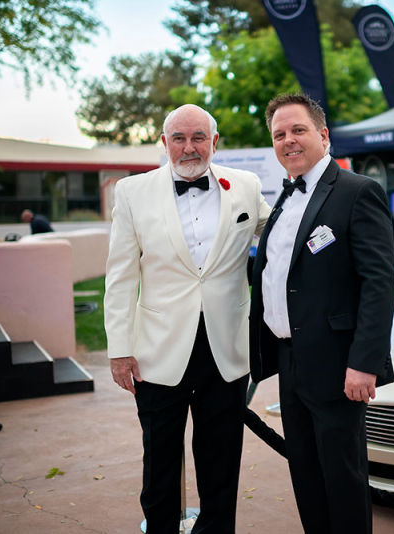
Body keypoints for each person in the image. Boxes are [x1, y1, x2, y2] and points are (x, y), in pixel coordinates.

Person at [104, 104, 271, 533]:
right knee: (160, 457)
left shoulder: (247, 187)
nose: (189, 147)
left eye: (198, 137)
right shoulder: (132, 193)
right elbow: (120, 278)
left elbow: (282, 233)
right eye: (178, 138)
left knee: (221, 457)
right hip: (156, 351)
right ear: (164, 144)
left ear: (215, 142)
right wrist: (119, 351)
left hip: (225, 347)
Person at [249, 94, 394, 534]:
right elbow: (278, 274)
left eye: (298, 130)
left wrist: (364, 363)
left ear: (323, 135)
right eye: (279, 134)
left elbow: (379, 283)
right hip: (290, 363)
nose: (288, 141)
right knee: (307, 479)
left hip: (339, 366)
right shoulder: (283, 200)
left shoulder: (357, 192)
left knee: (343, 482)